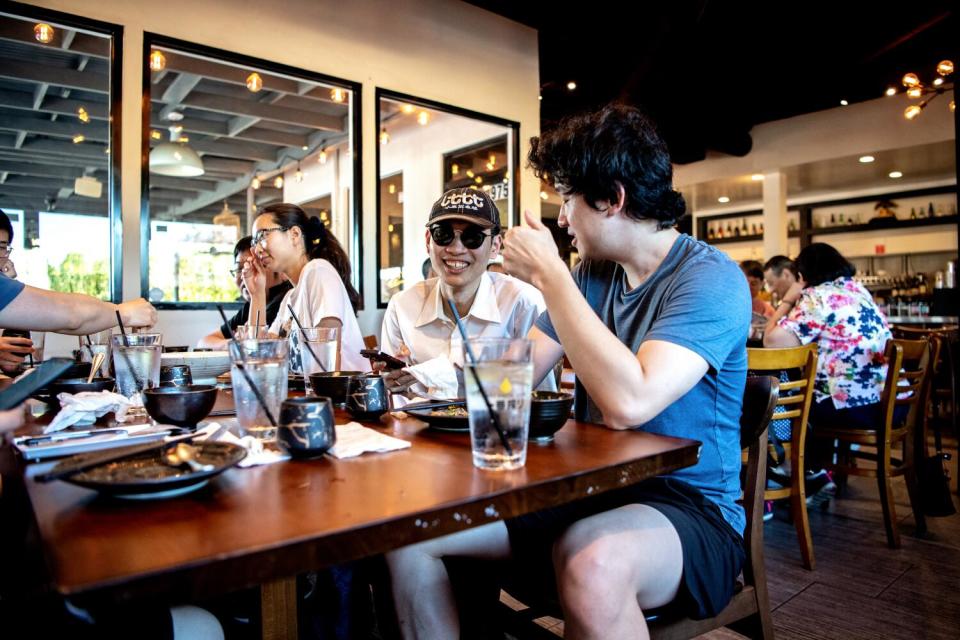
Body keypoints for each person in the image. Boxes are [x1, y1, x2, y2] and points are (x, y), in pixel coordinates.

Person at [386, 105, 750, 638]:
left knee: (592, 564)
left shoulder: (710, 280)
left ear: (612, 199)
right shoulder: (593, 276)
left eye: (567, 199)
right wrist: (409, 403)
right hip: (587, 490)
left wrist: (551, 276)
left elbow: (631, 403)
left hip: (690, 508)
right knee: (409, 532)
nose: (560, 218)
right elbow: (512, 374)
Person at [380, 187, 554, 400]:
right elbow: (396, 401)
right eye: (443, 234)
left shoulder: (522, 303)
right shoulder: (402, 307)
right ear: (428, 241)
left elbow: (535, 396)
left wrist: (430, 374)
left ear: (495, 246)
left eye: (473, 237)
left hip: (496, 430)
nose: (456, 248)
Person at [763, 242, 894, 430]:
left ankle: (807, 459)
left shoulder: (818, 297)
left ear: (801, 276)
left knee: (790, 402)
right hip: (892, 402)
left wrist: (788, 300)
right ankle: (834, 458)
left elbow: (771, 341)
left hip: (857, 406)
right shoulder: (858, 290)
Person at [242, 203, 367, 372]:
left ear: (294, 234)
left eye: (262, 236)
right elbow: (258, 360)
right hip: (308, 396)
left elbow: (327, 369)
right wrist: (257, 295)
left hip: (345, 396)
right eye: (254, 241)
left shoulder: (318, 271)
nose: (256, 249)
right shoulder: (290, 298)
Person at [197, 236, 290, 348]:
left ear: (281, 271)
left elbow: (256, 348)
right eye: (239, 268)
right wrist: (233, 344)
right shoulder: (248, 308)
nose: (245, 274)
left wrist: (241, 343)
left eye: (254, 267)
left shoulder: (285, 302)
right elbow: (203, 343)